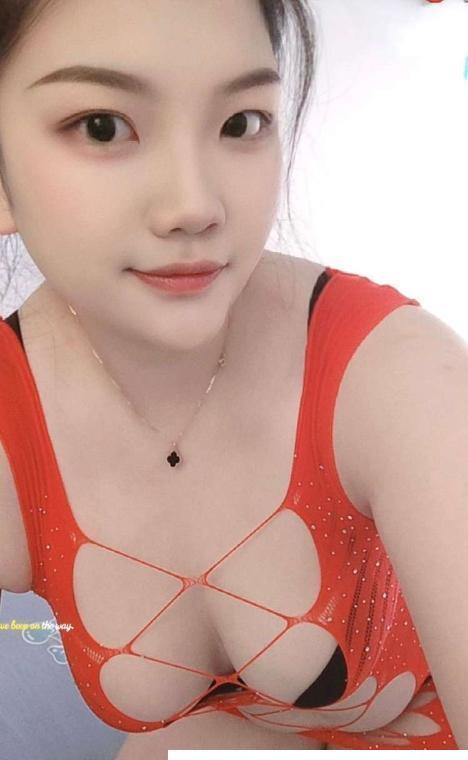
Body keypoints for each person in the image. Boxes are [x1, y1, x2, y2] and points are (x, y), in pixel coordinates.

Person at [0, 2, 464, 757]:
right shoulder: (13, 422)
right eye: (103, 127)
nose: (194, 206)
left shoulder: (401, 378)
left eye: (241, 123)